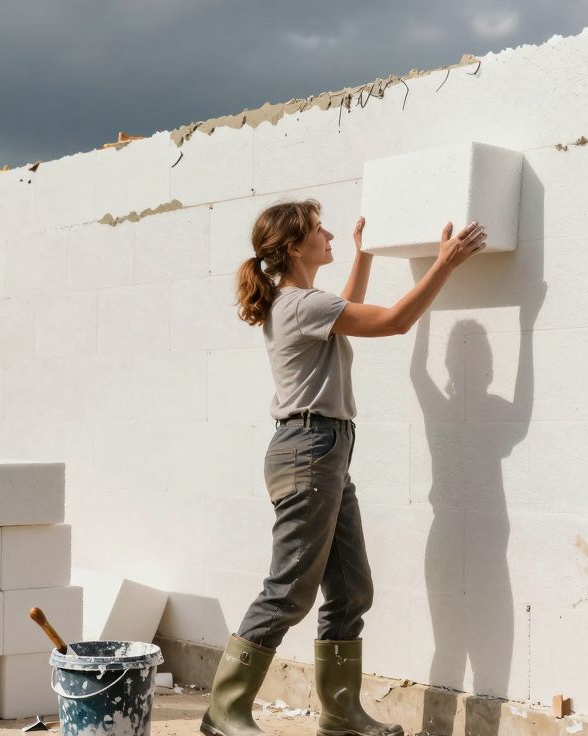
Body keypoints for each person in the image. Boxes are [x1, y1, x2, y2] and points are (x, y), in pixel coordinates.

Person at [200, 198, 487, 736]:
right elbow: (395, 321)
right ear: (293, 247)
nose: (328, 233)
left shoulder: (306, 303)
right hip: (308, 449)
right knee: (288, 589)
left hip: (325, 450)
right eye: (318, 230)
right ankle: (225, 711)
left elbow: (344, 311)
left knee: (352, 589)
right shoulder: (299, 304)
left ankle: (340, 713)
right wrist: (445, 262)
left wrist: (364, 256)